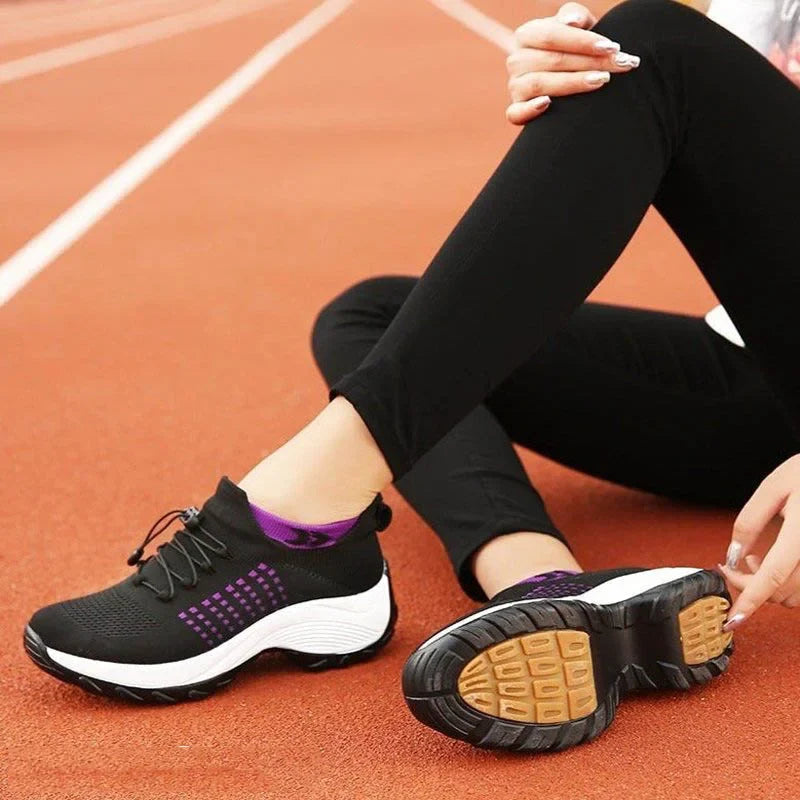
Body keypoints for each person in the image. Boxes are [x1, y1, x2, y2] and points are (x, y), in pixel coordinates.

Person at [24, 0, 800, 753]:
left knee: (654, 46)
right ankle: (539, 586)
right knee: (372, 317)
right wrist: (581, 84)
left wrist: (651, 75)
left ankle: (293, 527)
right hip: (749, 373)